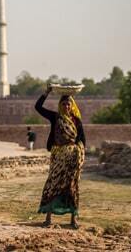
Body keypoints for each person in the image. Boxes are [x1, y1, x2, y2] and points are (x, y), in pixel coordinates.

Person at [34, 85, 86, 229]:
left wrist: (80, 154)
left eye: (68, 104)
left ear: (72, 105)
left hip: (73, 158)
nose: (66, 106)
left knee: (72, 187)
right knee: (53, 184)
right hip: (58, 156)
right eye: (63, 104)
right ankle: (48, 218)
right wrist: (46, 93)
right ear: (60, 105)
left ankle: (73, 219)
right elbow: (38, 107)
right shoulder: (55, 117)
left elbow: (82, 140)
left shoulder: (76, 121)